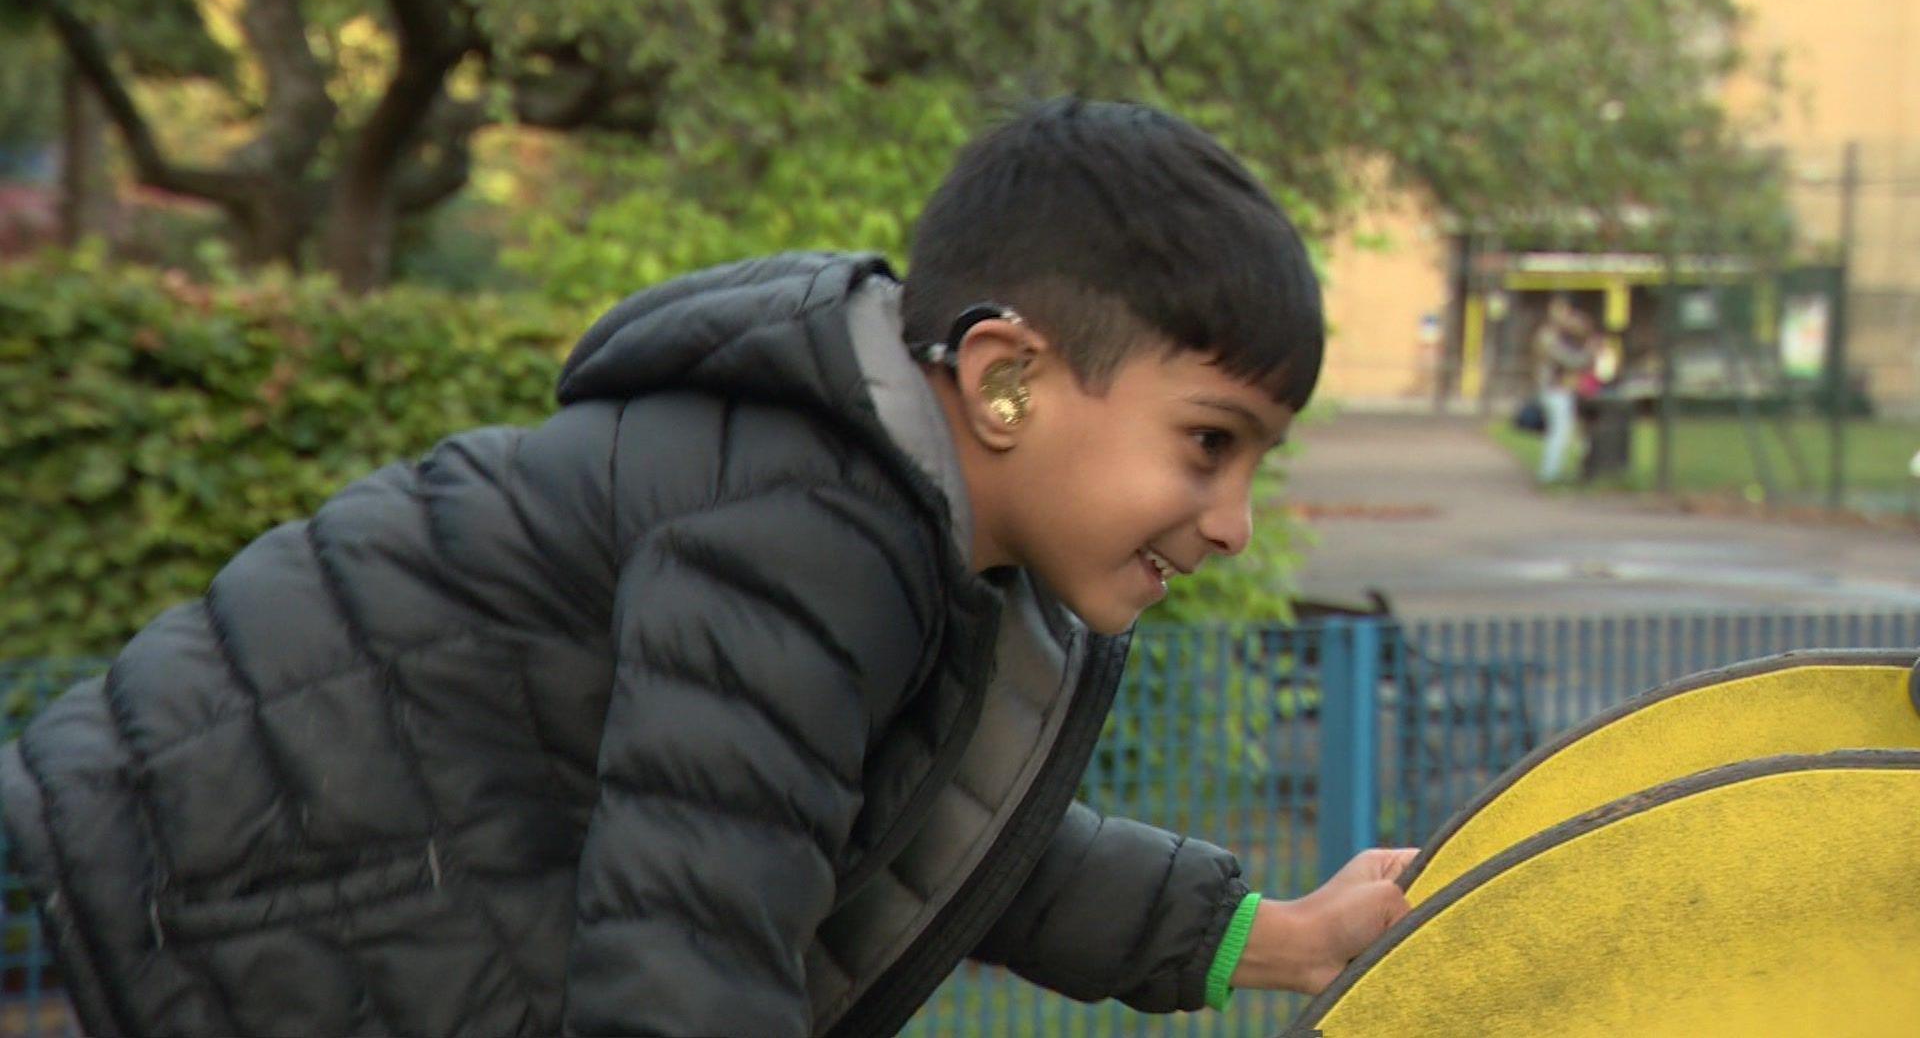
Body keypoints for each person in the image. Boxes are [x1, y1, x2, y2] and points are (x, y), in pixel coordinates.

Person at [0, 99, 1414, 1037]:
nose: (1229, 521)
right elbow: (692, 953)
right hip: (128, 937)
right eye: (1209, 443)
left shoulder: (905, 547)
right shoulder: (803, 531)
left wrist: (1259, 937)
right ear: (1006, 382)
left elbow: (949, 832)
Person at [1532, 297, 1599, 484]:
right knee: (1560, 432)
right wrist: (1588, 353)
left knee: (1571, 432)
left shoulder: (1559, 336)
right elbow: (1568, 360)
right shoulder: (1548, 337)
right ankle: (1549, 473)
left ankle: (1570, 470)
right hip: (1554, 390)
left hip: (1560, 389)